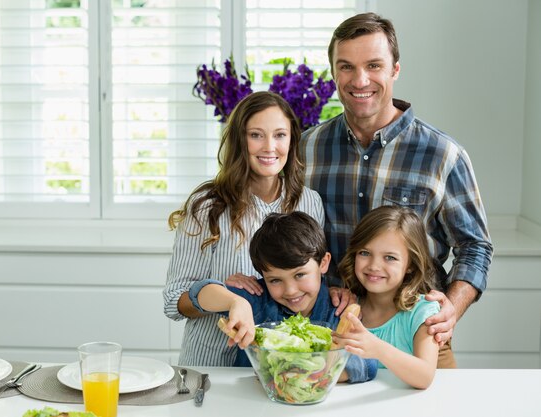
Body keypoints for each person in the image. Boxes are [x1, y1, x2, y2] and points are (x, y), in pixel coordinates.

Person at [300, 12, 493, 368]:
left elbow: (475, 246)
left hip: (417, 339)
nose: (360, 79)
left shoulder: (443, 155)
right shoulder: (305, 149)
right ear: (333, 72)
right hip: (329, 336)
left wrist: (451, 305)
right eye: (346, 67)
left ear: (395, 70)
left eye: (374, 65)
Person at [163, 91, 325, 366]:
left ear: (292, 140)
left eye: (280, 135)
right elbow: (174, 301)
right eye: (256, 135)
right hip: (212, 364)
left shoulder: (309, 201)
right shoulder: (206, 207)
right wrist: (226, 297)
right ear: (240, 140)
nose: (269, 147)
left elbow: (312, 276)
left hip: (278, 367)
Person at [188, 211, 377, 383]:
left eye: (300, 275)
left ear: (323, 263)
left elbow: (369, 365)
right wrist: (235, 302)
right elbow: (198, 292)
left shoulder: (336, 313)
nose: (291, 291)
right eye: (275, 280)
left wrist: (314, 374)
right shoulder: (257, 299)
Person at [334, 205, 440, 389]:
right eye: (365, 253)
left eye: (390, 257)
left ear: (411, 265)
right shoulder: (346, 307)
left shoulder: (423, 312)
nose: (374, 266)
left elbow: (425, 376)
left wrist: (376, 348)